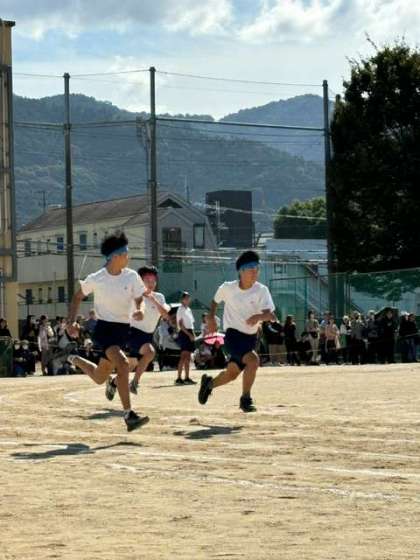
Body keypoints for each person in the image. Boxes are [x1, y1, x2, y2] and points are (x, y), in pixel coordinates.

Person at [64, 232, 149, 432]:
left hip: (123, 331)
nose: (128, 257)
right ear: (115, 256)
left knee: (99, 377)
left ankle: (75, 359)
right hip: (104, 329)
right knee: (123, 364)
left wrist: (140, 310)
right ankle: (129, 415)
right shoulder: (97, 278)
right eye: (126, 254)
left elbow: (139, 298)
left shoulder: (132, 276)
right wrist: (71, 322)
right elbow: (77, 297)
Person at [198, 250, 275, 413]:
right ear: (241, 271)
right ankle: (245, 399)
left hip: (251, 338)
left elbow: (270, 315)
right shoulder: (228, 288)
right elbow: (214, 301)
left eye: (257, 268)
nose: (255, 272)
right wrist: (211, 317)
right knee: (253, 361)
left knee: (232, 374)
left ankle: (208, 384)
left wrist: (259, 316)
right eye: (251, 269)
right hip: (233, 336)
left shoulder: (262, 290)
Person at [105, 265, 169, 399]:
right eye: (147, 281)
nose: (151, 284)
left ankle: (113, 383)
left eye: (153, 281)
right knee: (150, 352)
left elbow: (165, 315)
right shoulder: (135, 297)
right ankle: (134, 383)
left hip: (148, 335)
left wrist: (153, 299)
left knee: (130, 366)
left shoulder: (159, 297)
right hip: (133, 333)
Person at [175, 292, 196, 385]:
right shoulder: (180, 309)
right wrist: (189, 334)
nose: (188, 300)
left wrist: (193, 334)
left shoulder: (188, 309)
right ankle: (178, 378)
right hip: (184, 333)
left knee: (188, 357)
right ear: (182, 299)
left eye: (188, 298)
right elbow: (180, 325)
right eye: (186, 298)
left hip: (189, 332)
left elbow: (191, 324)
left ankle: (187, 377)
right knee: (183, 356)